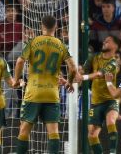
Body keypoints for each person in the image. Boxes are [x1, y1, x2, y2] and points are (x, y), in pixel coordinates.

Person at [13, 15, 78, 154]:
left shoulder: (33, 41)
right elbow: (73, 68)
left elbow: (19, 62)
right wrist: (69, 82)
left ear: (41, 26)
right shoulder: (61, 45)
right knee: (53, 133)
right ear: (56, 27)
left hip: (33, 92)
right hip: (52, 94)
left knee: (24, 130)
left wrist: (16, 80)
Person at [77, 35, 121, 154]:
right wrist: (77, 72)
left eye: (108, 41)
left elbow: (99, 74)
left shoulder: (113, 64)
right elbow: (83, 69)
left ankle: (112, 152)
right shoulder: (94, 57)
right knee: (91, 134)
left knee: (111, 121)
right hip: (96, 103)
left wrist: (83, 77)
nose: (104, 42)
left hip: (110, 101)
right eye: (104, 40)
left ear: (115, 46)